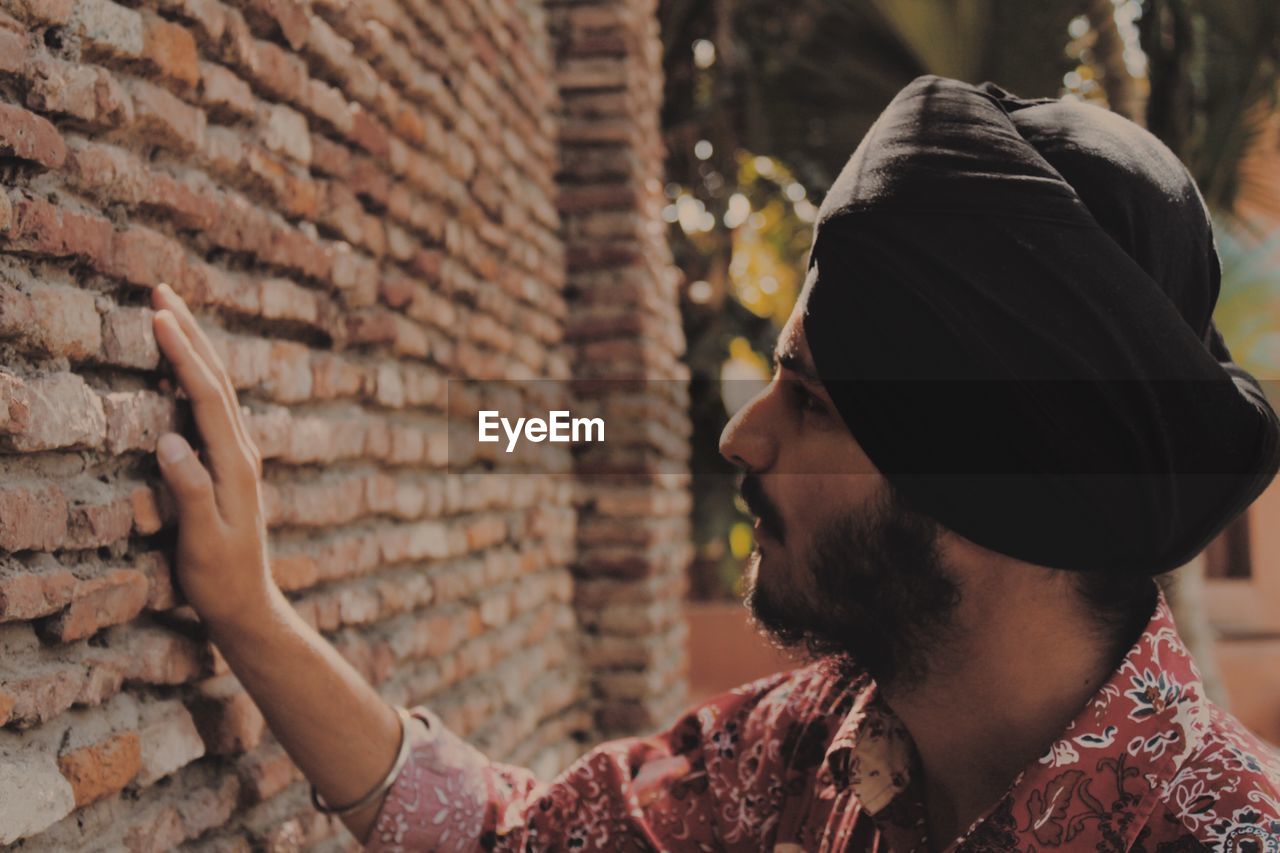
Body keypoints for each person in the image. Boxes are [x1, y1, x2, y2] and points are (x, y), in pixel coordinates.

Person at [150, 76, 1280, 852]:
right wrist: (247, 608)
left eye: (815, 404)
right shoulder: (811, 747)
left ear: (985, 480)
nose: (742, 438)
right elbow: (508, 836)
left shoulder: (1220, 831)